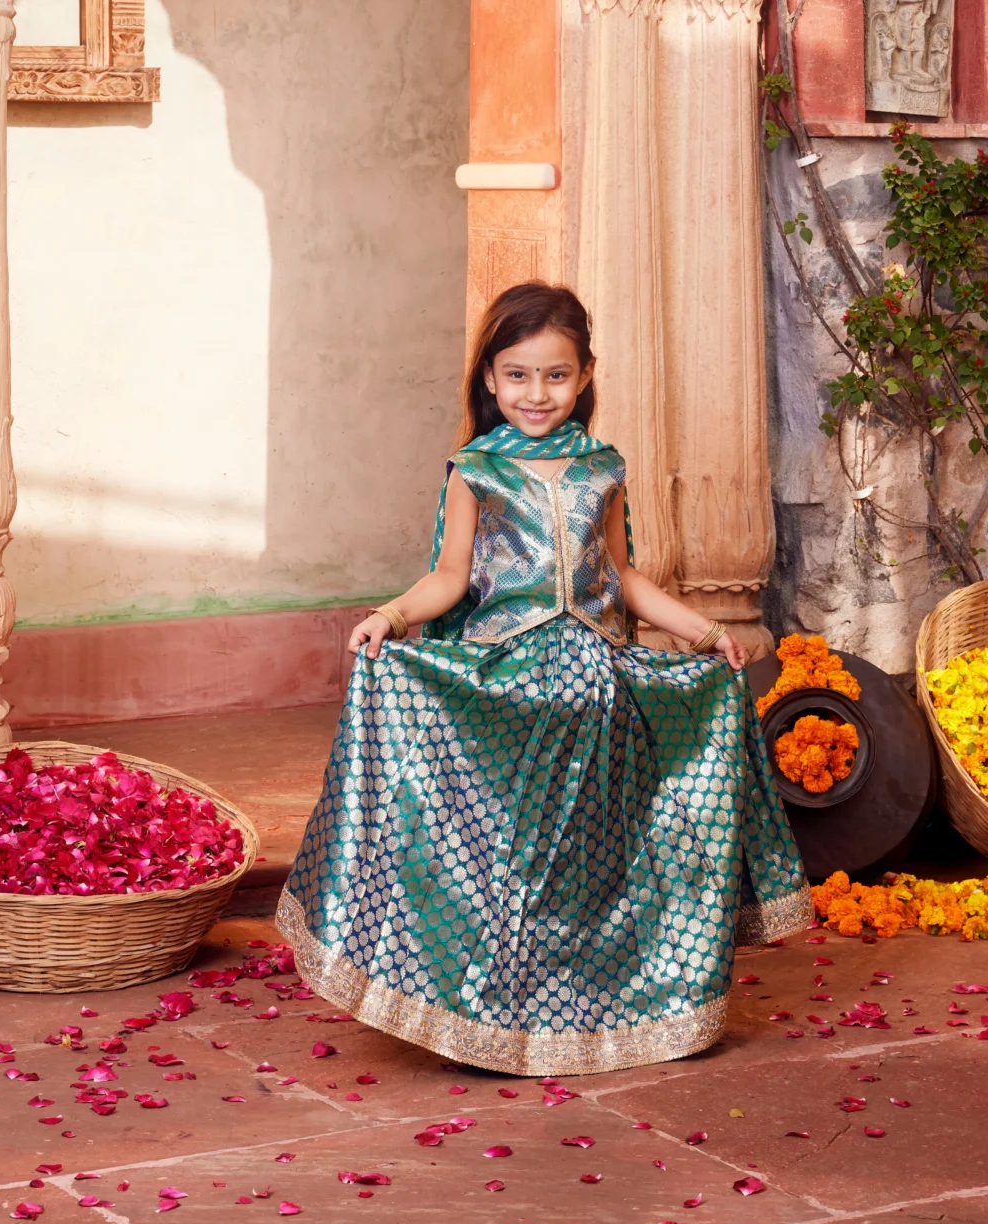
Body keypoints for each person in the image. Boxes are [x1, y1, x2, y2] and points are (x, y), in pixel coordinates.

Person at [277, 281, 811, 1075]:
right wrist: (389, 616)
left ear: (586, 374)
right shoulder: (477, 470)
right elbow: (449, 578)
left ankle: (598, 1014)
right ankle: (486, 1010)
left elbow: (625, 578)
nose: (537, 393)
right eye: (518, 375)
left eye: (556, 375)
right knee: (503, 860)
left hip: (597, 691)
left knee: (592, 864)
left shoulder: (602, 468)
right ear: (490, 380)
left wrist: (704, 630)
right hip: (506, 690)